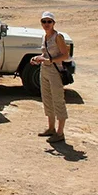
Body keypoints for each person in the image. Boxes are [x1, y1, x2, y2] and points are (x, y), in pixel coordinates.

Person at [30, 11, 70, 143]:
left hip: (55, 70)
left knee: (58, 99)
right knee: (47, 98)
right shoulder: (45, 36)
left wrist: (50, 60)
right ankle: (51, 128)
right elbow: (45, 54)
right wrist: (37, 58)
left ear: (53, 23)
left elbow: (65, 55)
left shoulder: (58, 37)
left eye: (49, 21)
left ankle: (60, 132)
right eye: (44, 21)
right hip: (45, 69)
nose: (46, 24)